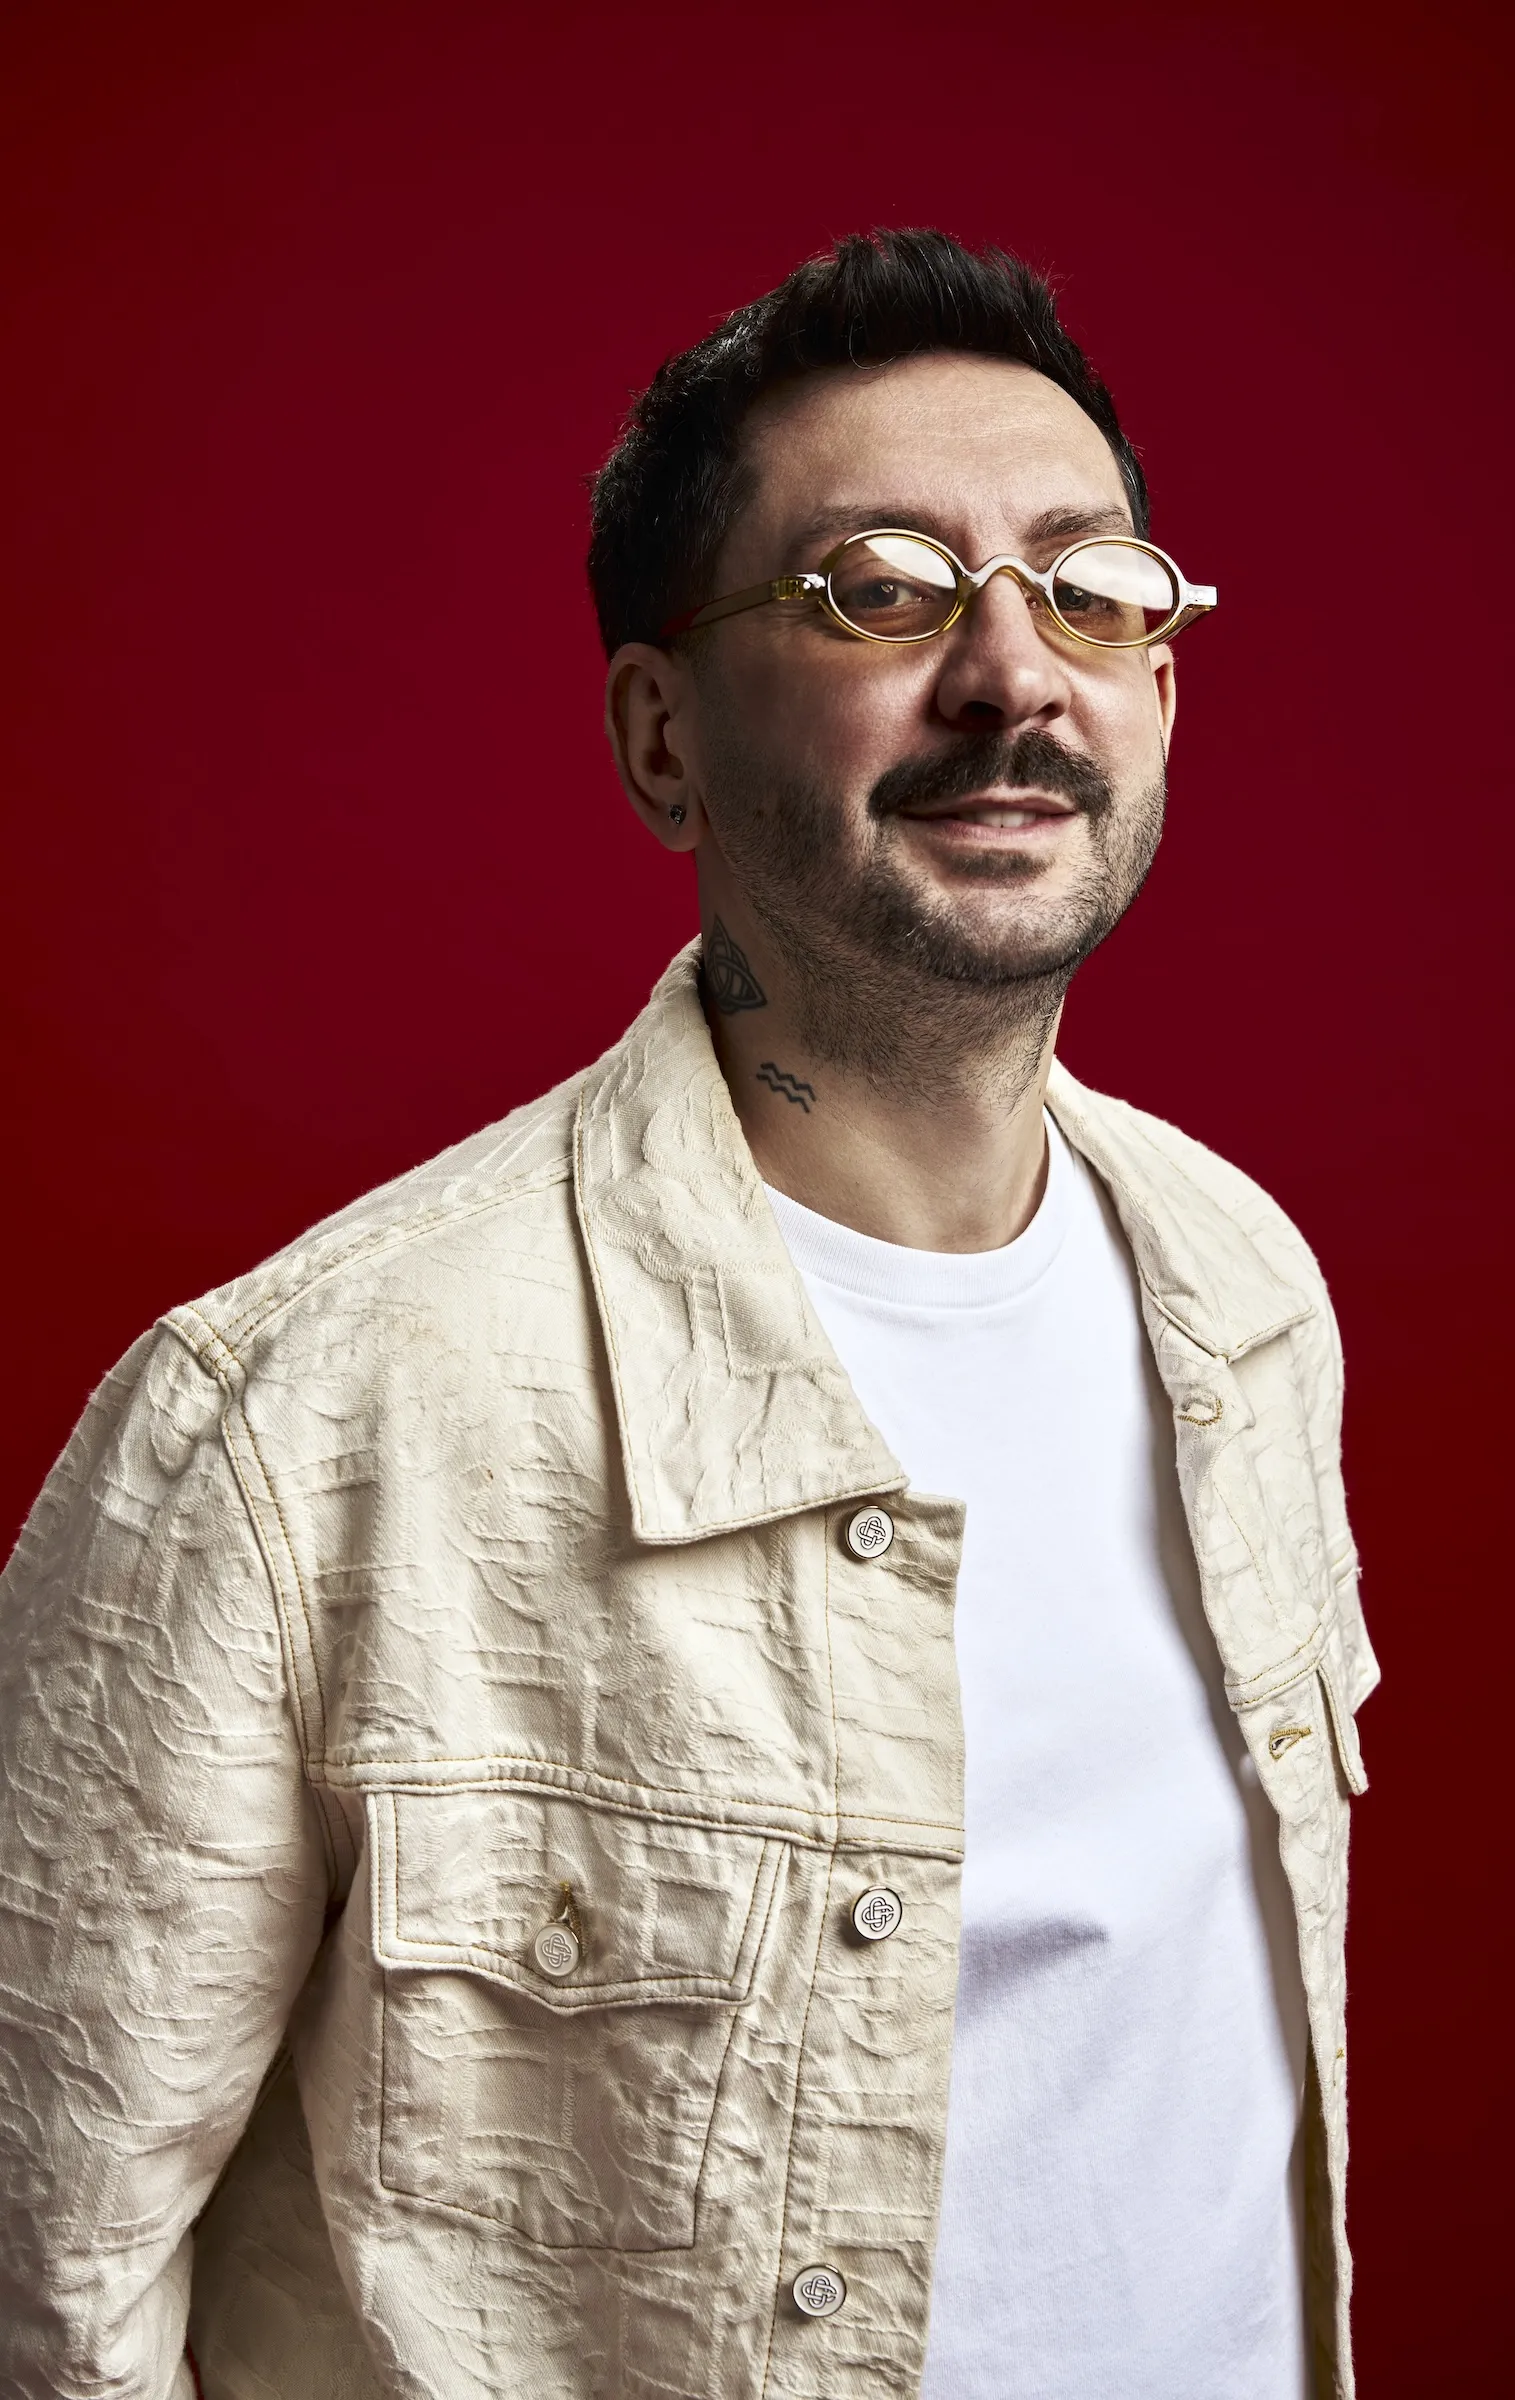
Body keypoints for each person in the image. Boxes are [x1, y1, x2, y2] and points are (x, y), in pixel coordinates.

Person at [0, 229, 1376, 2400]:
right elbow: (48, 2268)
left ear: (1161, 683)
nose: (1010, 675)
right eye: (879, 590)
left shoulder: (1246, 1294)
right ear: (664, 739)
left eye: (1090, 587)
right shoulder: (290, 1426)